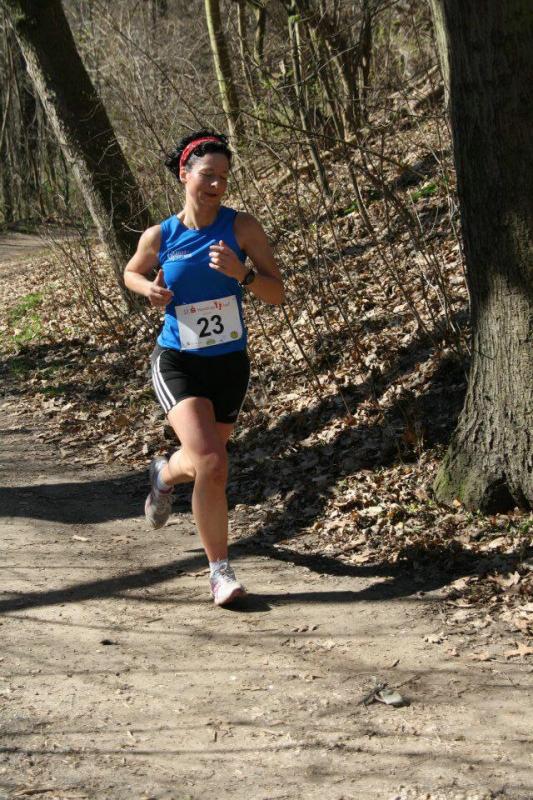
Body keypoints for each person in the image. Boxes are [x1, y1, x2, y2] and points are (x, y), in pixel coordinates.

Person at [124, 130, 284, 606]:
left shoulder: (242, 228)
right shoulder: (161, 236)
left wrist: (244, 275)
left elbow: (277, 292)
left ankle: (163, 476)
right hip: (178, 361)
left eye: (224, 178)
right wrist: (149, 290)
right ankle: (220, 572)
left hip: (229, 364)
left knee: (205, 465)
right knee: (214, 462)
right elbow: (131, 271)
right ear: (185, 174)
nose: (216, 186)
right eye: (208, 175)